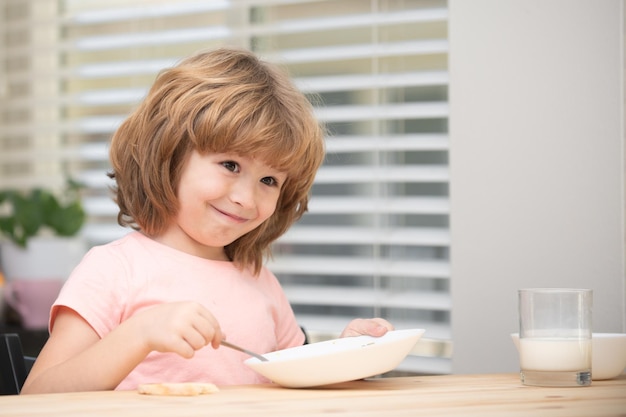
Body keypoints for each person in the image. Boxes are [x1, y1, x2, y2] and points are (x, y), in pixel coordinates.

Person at [21, 47, 393, 394]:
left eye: (269, 180)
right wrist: (138, 334)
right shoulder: (115, 270)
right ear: (169, 153)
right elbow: (38, 396)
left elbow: (296, 383)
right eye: (230, 165)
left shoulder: (258, 280)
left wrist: (346, 357)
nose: (245, 197)